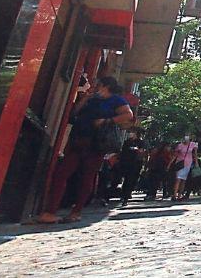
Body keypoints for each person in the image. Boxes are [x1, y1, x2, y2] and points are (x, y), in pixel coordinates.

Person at [35, 76, 133, 223]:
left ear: (105, 86)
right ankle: (50, 211)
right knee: (62, 173)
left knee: (87, 176)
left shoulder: (116, 100)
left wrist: (107, 121)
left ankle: (76, 211)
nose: (94, 86)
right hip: (78, 139)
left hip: (96, 143)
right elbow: (74, 114)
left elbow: (128, 115)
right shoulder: (92, 99)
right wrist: (84, 100)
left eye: (97, 84)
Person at [116, 130, 145, 206]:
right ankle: (123, 194)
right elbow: (123, 151)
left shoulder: (140, 142)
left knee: (132, 180)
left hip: (135, 163)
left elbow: (141, 151)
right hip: (126, 162)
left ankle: (126, 196)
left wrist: (137, 150)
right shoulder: (127, 142)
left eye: (132, 132)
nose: (130, 134)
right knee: (125, 179)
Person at [171, 134, 198, 200]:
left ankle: (179, 195)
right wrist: (171, 163)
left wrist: (196, 162)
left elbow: (195, 154)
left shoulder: (193, 144)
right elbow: (175, 154)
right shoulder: (180, 145)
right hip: (180, 163)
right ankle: (174, 195)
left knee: (183, 180)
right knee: (178, 179)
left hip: (188, 163)